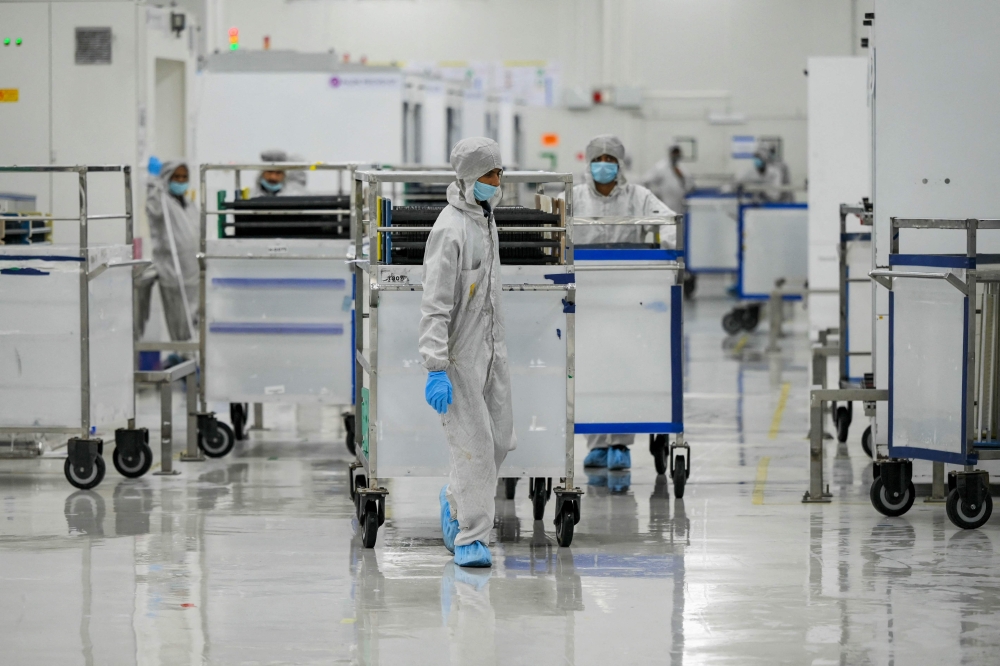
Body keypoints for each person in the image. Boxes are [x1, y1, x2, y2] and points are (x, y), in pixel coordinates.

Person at [419, 137, 515, 569]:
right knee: (474, 450)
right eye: (491, 176)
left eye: (499, 173)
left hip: (493, 349)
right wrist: (436, 366)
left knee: (498, 442)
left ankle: (454, 498)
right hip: (459, 357)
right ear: (470, 178)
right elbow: (435, 305)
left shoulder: (485, 218)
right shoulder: (449, 229)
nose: (499, 182)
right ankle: (471, 539)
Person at [573, 135, 677, 475]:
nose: (604, 165)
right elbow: (554, 232)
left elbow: (668, 222)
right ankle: (596, 445)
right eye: (598, 158)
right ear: (588, 163)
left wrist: (667, 250)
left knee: (623, 366)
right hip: (586, 297)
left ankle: (620, 443)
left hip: (628, 295)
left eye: (610, 159)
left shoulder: (638, 197)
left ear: (620, 164)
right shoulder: (572, 198)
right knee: (591, 369)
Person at [141, 160, 199, 350]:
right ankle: (185, 359)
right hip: (173, 272)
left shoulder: (190, 204)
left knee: (196, 322)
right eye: (176, 177)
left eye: (184, 177)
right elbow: (152, 207)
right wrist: (152, 181)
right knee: (180, 324)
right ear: (167, 178)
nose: (181, 181)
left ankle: (194, 360)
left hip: (194, 273)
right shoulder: (162, 201)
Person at [642, 144, 688, 215]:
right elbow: (646, 181)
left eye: (677, 152)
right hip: (663, 208)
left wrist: (681, 177)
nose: (676, 154)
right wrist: (655, 196)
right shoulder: (661, 167)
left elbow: (690, 186)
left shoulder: (682, 168)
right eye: (674, 152)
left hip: (678, 208)